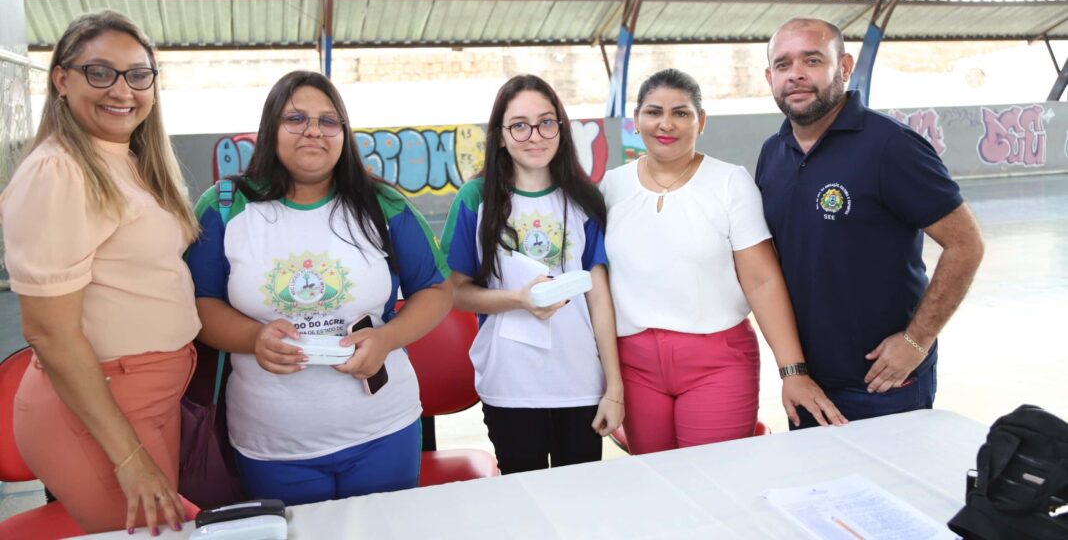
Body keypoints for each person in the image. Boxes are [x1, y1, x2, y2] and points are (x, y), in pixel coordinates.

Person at [183, 71, 451, 505]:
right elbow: (200, 304)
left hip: (384, 430)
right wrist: (254, 338)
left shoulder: (383, 205)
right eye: (296, 118)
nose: (313, 130)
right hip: (272, 445)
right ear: (271, 128)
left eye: (329, 121)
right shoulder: (224, 207)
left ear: (344, 133)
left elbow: (436, 291)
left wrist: (386, 339)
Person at [0, 11, 199, 534]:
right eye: (100, 72)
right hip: (101, 411)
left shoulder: (124, 159)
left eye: (138, 74)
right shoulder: (58, 171)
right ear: (61, 80)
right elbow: (48, 331)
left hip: (146, 398)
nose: (122, 89)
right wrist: (129, 458)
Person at [600, 68, 845, 455]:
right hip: (636, 367)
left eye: (681, 113)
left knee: (714, 482)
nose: (666, 124)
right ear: (635, 120)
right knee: (657, 480)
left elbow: (762, 280)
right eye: (653, 112)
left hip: (717, 363)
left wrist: (793, 371)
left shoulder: (730, 183)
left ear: (702, 121)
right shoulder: (612, 186)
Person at [756, 18, 985, 428]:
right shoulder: (773, 153)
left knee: (893, 491)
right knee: (816, 490)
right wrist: (793, 370)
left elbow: (965, 244)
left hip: (883, 383)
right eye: (784, 64)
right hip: (808, 384)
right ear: (770, 77)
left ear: (843, 67)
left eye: (812, 60)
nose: (797, 75)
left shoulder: (891, 146)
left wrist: (917, 341)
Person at [440, 74, 624, 474]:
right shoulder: (476, 199)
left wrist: (614, 386)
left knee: (580, 498)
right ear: (501, 135)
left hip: (579, 381)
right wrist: (518, 299)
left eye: (546, 122)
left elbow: (599, 296)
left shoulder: (584, 199)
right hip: (511, 384)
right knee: (525, 502)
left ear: (560, 128)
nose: (534, 135)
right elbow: (454, 291)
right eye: (519, 125)